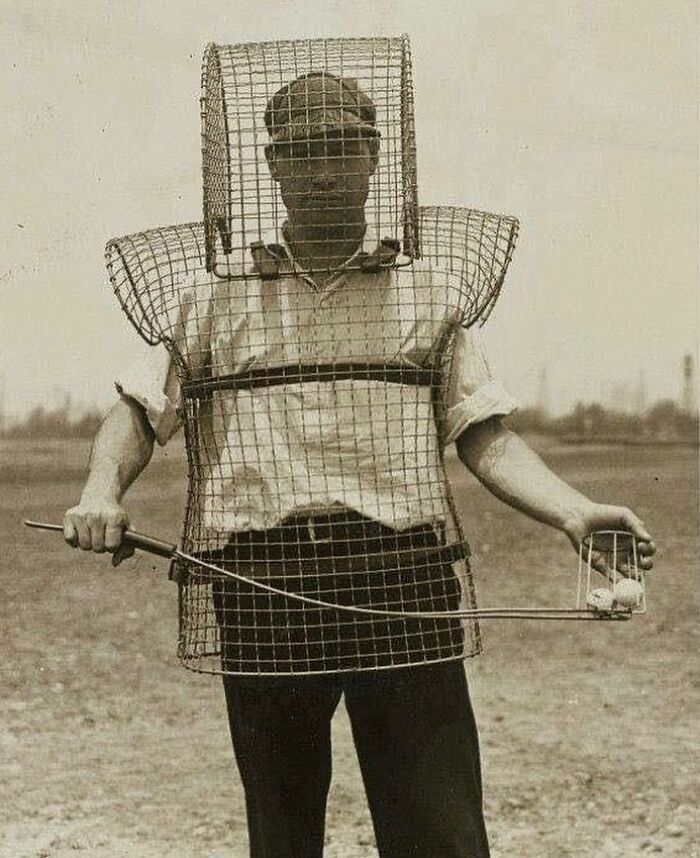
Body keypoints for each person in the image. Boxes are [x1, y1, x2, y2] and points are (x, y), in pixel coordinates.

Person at [63, 72, 656, 858]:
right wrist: (101, 490)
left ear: (376, 157)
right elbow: (138, 412)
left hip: (401, 574)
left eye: (344, 149)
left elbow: (487, 435)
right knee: (283, 834)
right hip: (261, 580)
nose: (325, 174)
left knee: (439, 833)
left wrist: (576, 511)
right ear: (271, 165)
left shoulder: (428, 290)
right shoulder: (216, 295)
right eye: (304, 154)